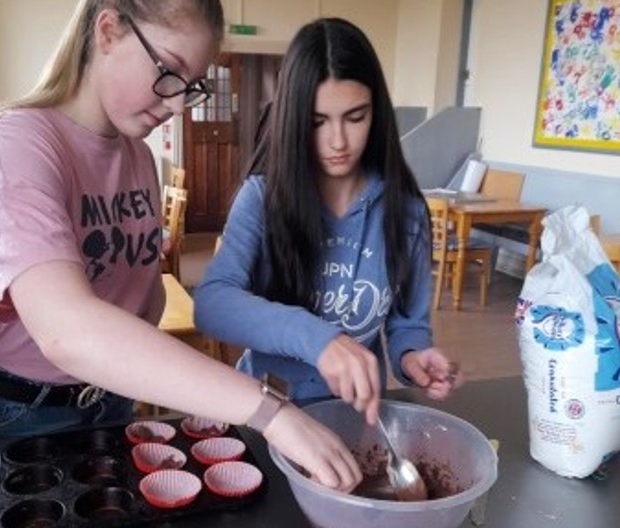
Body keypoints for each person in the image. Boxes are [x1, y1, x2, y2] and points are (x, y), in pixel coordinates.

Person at [0, 1, 362, 492]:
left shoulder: (137, 157)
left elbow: (139, 301)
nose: (176, 105)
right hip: (2, 415)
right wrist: (268, 411)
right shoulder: (16, 144)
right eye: (168, 71)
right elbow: (67, 332)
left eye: (190, 86)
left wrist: (189, 388)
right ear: (108, 31)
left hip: (108, 403)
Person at [194, 17, 461, 425]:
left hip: (355, 417)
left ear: (377, 114)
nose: (338, 141)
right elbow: (212, 304)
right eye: (317, 122)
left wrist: (414, 357)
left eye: (355, 117)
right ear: (292, 118)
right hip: (268, 413)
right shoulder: (263, 199)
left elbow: (408, 323)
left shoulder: (404, 212)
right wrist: (319, 338)